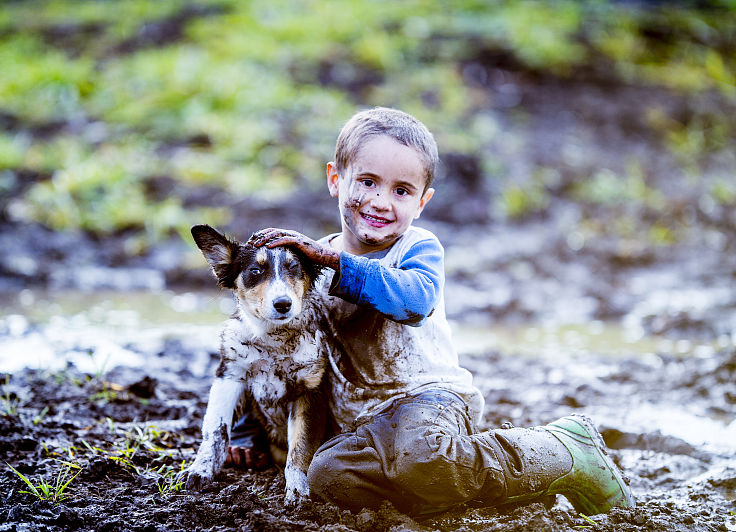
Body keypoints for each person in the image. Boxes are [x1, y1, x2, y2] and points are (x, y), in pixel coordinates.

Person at [246, 107, 635, 516]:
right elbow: (269, 345)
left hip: (428, 400)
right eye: (367, 182)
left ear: (422, 201)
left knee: (425, 460)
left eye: (401, 191)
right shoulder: (308, 267)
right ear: (334, 180)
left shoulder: (418, 247)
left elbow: (414, 302)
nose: (380, 201)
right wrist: (246, 433)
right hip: (363, 422)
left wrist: (335, 262)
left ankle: (561, 449)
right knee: (328, 476)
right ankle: (435, 488)